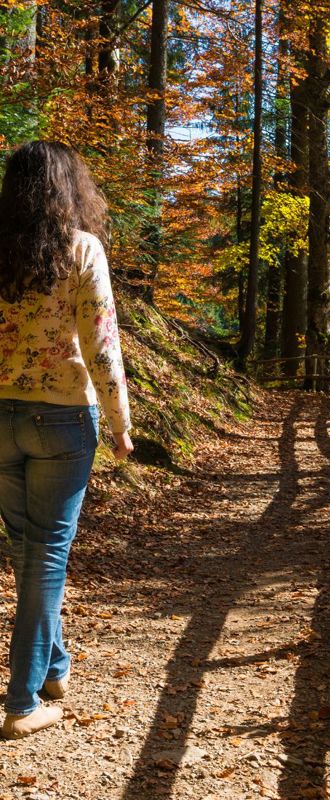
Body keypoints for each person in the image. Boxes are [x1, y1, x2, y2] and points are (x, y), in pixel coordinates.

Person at [0, 140, 133, 739]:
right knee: (46, 555)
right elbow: (102, 342)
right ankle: (23, 702)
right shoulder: (82, 249)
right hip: (60, 420)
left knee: (30, 549)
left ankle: (54, 669)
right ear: (69, 189)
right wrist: (122, 420)